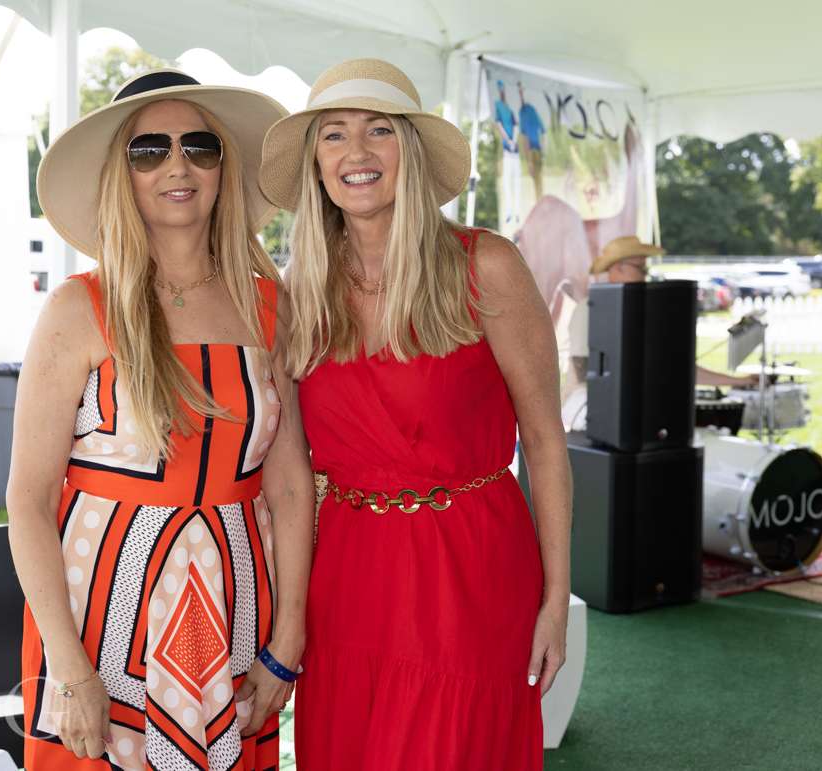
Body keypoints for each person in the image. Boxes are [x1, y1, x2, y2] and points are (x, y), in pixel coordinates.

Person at [259, 58, 572, 770]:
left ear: (412, 151)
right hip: (349, 577)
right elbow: (288, 469)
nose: (357, 152)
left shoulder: (486, 265)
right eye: (334, 135)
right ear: (316, 165)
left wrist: (556, 599)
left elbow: (545, 440)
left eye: (379, 130)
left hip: (471, 573)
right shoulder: (300, 292)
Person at [8, 69, 315, 770]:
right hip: (96, 623)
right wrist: (69, 665)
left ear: (222, 168)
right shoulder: (78, 308)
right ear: (123, 174)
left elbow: (291, 486)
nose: (178, 165)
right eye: (149, 151)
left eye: (200, 147)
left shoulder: (270, 306)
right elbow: (28, 499)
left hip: (237, 616)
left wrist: (288, 638)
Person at [562, 236, 757, 430]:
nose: (645, 275)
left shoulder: (643, 313)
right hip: (585, 409)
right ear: (618, 267)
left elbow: (676, 370)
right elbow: (583, 370)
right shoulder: (588, 309)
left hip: (628, 412)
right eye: (640, 268)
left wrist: (740, 381)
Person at [495, 79, 522, 225]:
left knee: (516, 182)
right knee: (507, 182)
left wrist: (514, 141)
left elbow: (516, 125)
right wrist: (509, 141)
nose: (502, 93)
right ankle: (509, 212)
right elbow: (499, 125)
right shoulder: (498, 107)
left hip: (514, 151)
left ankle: (516, 213)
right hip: (508, 150)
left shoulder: (509, 110)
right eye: (501, 90)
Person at [517, 81, 546, 201]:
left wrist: (529, 160)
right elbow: (529, 138)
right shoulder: (528, 113)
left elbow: (527, 139)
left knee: (537, 177)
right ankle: (539, 198)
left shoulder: (526, 114)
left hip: (535, 150)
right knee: (537, 177)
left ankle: (539, 198)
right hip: (535, 150)